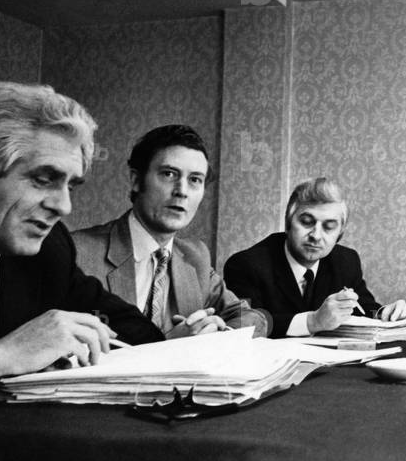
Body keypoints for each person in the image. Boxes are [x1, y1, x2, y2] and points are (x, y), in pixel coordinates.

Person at [0, 82, 162, 401]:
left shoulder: (49, 251)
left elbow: (130, 329)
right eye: (43, 180)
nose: (64, 207)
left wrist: (180, 349)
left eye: (71, 187)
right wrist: (2, 357)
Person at [73, 125, 268, 339]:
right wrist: (169, 346)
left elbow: (250, 316)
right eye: (168, 174)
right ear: (136, 180)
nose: (182, 191)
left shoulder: (196, 256)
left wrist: (221, 334)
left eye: (195, 180)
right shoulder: (78, 253)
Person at [224, 177, 406, 337]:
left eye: (329, 227)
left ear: (340, 234)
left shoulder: (346, 261)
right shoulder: (245, 265)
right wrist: (313, 321)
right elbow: (247, 326)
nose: (316, 235)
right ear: (288, 224)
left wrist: (384, 313)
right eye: (306, 222)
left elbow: (364, 307)